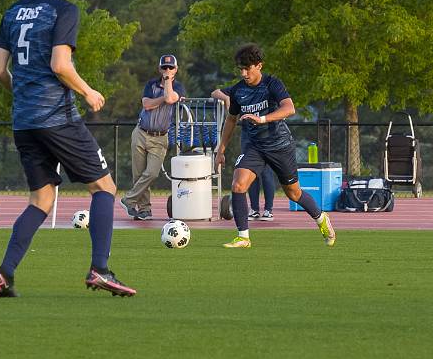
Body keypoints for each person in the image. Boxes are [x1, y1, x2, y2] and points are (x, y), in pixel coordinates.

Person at [0, 0, 136, 298]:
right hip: (57, 117)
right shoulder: (64, 11)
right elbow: (60, 65)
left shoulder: (11, 13)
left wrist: (24, 93)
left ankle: (4, 273)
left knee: (41, 200)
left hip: (23, 121)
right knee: (105, 188)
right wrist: (88, 92)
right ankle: (99, 269)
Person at [214, 44, 335, 248]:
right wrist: (221, 149)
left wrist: (262, 119)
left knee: (293, 193)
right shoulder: (237, 91)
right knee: (238, 184)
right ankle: (243, 237)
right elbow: (231, 120)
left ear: (259, 65)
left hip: (280, 145)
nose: (244, 73)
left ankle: (321, 218)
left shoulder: (272, 84)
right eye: (240, 69)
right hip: (255, 147)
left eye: (248, 68)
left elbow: (289, 108)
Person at [120, 55, 186, 220]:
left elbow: (171, 98)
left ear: (176, 70)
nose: (167, 70)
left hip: (160, 137)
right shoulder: (151, 84)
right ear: (159, 69)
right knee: (139, 174)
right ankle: (144, 210)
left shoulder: (179, 86)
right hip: (141, 132)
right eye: (164, 67)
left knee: (152, 173)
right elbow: (147, 104)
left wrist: (168, 85)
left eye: (171, 68)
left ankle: (128, 200)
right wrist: (164, 98)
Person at [211, 87, 276, 221]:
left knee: (266, 172)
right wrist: (227, 98)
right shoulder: (240, 88)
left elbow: (284, 107)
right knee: (249, 172)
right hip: (248, 136)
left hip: (266, 135)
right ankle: (254, 209)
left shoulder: (266, 87)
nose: (246, 74)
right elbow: (215, 92)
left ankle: (268, 210)